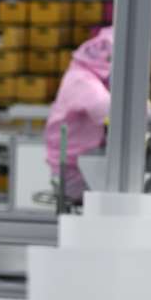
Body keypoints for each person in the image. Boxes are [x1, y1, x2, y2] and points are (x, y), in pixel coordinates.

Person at [44, 26, 114, 201]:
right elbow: (107, 109)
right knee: (119, 196)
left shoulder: (85, 74)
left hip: (81, 164)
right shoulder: (82, 80)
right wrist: (141, 105)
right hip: (73, 171)